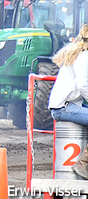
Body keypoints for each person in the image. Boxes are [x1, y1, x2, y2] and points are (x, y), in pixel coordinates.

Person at [48, 23, 88, 178]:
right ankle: (83, 164)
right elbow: (83, 84)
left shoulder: (80, 53)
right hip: (64, 108)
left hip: (67, 106)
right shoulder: (84, 55)